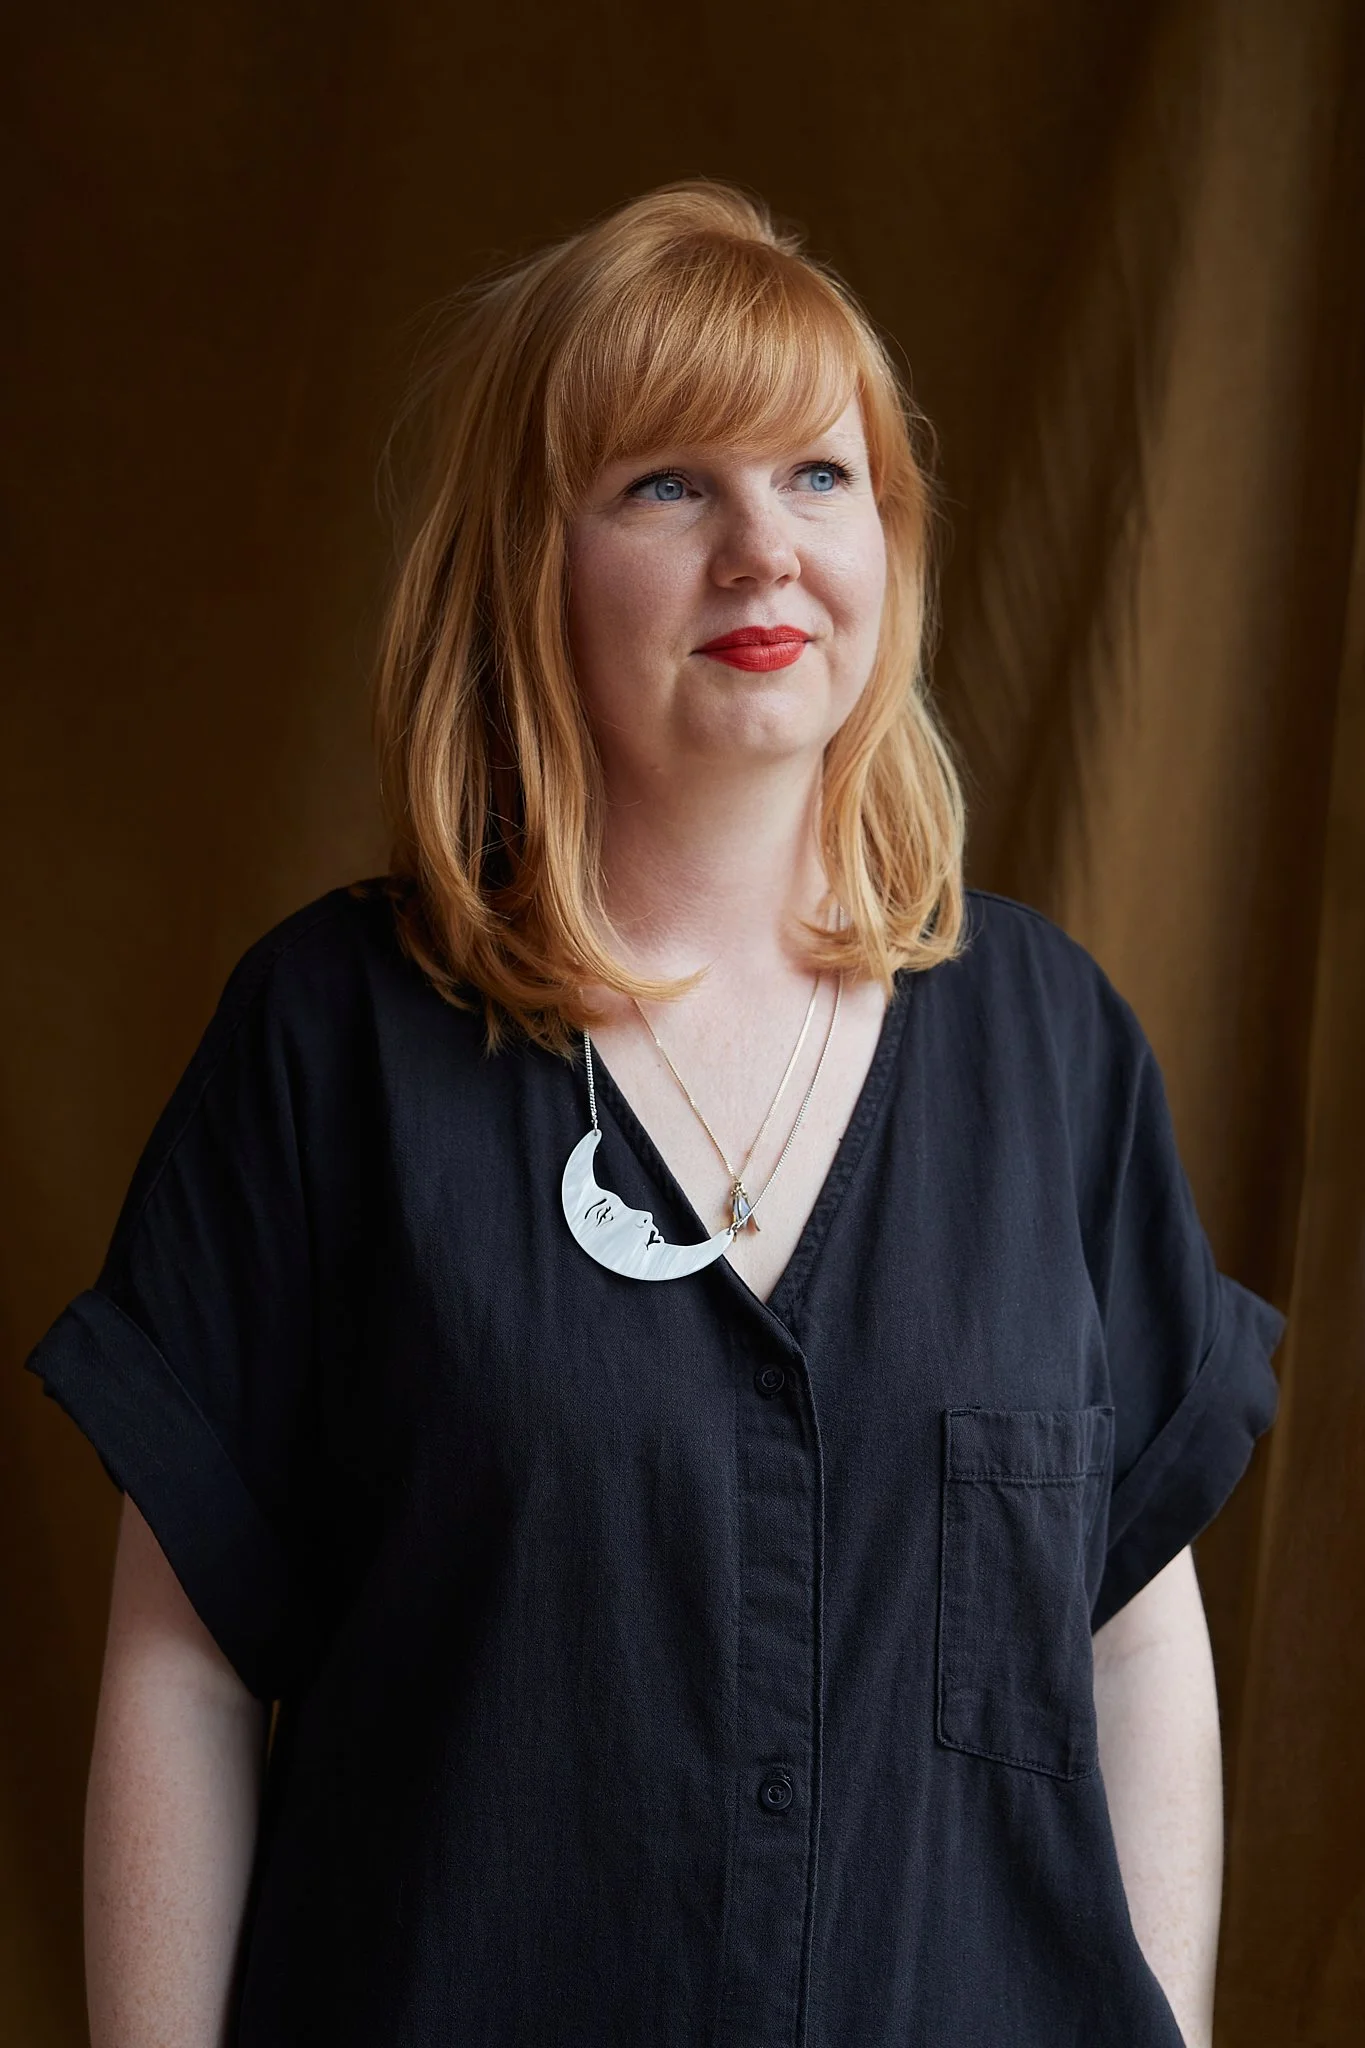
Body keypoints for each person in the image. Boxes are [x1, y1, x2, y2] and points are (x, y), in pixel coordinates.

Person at [26, 179, 1283, 2048]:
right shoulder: (328, 1047)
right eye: (668, 484)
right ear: (528, 565)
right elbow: (185, 1682)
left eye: (818, 477)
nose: (764, 551)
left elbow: (1130, 1636)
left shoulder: (1052, 1049)